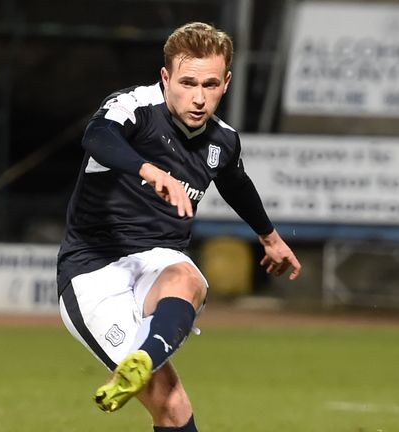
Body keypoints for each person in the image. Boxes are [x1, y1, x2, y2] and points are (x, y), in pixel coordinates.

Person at [56, 22, 301, 431]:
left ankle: (143, 359)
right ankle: (144, 363)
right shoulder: (132, 107)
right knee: (171, 404)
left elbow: (236, 183)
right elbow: (98, 136)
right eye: (187, 83)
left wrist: (270, 238)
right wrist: (150, 170)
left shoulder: (223, 140)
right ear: (165, 77)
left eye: (210, 84)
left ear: (226, 82)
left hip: (158, 260)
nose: (199, 98)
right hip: (92, 269)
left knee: (186, 276)